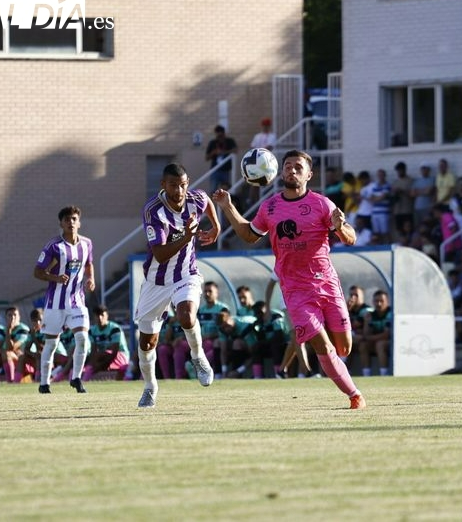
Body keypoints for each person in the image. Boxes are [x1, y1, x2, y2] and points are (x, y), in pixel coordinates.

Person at [212, 149, 366, 409]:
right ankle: (355, 396)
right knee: (322, 345)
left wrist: (340, 226)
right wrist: (228, 207)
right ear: (279, 172)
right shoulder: (270, 207)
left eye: (297, 167)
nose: (291, 170)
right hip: (295, 289)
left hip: (326, 283)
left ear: (309, 174)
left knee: (344, 348)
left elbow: (351, 238)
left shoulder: (322, 204)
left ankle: (334, 350)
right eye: (287, 166)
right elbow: (249, 235)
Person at [133, 163, 220, 408]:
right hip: (156, 282)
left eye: (183, 185)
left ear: (187, 182)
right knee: (147, 342)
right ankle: (150, 387)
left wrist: (216, 227)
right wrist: (186, 237)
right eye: (173, 185)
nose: (179, 191)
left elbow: (207, 201)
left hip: (186, 274)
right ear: (163, 185)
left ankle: (198, 356)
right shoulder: (153, 211)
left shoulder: (195, 198)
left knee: (186, 315)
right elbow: (159, 254)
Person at [34, 206, 95, 394]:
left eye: (74, 219)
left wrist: (91, 278)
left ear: (79, 222)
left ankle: (76, 378)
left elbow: (89, 264)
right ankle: (44, 383)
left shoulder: (87, 244)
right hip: (55, 304)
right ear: (61, 223)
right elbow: (37, 272)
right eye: (67, 219)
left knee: (82, 338)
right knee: (51, 343)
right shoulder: (53, 246)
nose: (71, 222)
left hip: (77, 302)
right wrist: (55, 278)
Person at [83, 304, 130, 381]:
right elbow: (93, 351)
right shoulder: (92, 331)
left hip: (121, 357)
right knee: (90, 365)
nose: (99, 318)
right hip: (105, 356)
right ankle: (83, 383)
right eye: (97, 315)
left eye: (102, 315)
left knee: (102, 354)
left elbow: (114, 352)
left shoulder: (115, 329)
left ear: (107, 316)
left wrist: (100, 366)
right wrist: (93, 364)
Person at [358, 290, 393, 376]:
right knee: (363, 345)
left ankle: (384, 374)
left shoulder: (390, 313)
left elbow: (387, 335)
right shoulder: (371, 314)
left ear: (387, 301)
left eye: (381, 301)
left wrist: (368, 338)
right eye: (376, 301)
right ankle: (366, 375)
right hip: (376, 342)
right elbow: (366, 334)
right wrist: (366, 322)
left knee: (380, 344)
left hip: (391, 344)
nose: (379, 304)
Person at [205, 125, 238, 190]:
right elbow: (206, 158)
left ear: (224, 134)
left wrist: (224, 152)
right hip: (215, 170)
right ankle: (212, 200)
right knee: (213, 189)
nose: (220, 138)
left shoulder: (229, 141)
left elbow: (235, 150)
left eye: (221, 136)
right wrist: (214, 152)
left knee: (226, 189)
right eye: (218, 136)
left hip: (226, 170)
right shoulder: (213, 143)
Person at [2, 306, 30, 383]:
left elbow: (11, 348)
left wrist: (8, 332)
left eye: (15, 315)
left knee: (7, 354)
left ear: (19, 317)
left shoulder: (23, 329)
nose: (12, 317)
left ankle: (11, 382)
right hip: (13, 357)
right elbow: (2, 348)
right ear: (6, 317)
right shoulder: (3, 330)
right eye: (10, 315)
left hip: (26, 360)